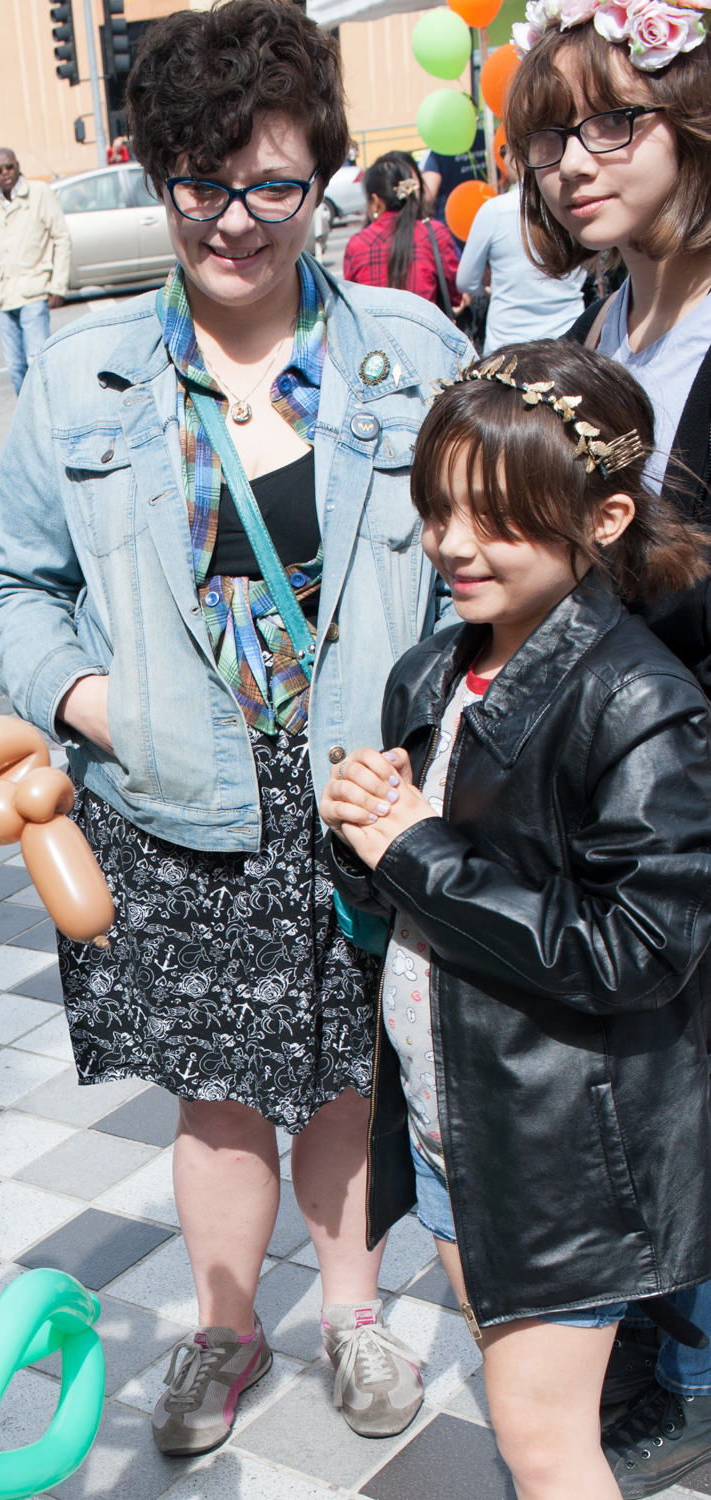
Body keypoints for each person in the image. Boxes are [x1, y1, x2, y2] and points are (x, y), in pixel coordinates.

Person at [0, 0, 469, 1455]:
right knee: (215, 1088)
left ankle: (355, 1313)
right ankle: (225, 1328)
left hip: (363, 785)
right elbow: (9, 583)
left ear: (320, 176)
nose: (235, 220)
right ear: (155, 176)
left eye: (271, 184)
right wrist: (87, 700)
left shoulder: (414, 355)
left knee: (347, 1065)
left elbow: (489, 554)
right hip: (174, 794)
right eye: (201, 182)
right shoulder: (82, 377)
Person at [321, 339, 711, 1500]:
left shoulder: (642, 702)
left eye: (496, 518)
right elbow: (394, 895)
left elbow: (640, 949)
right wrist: (355, 845)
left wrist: (413, 848)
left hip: (561, 1149)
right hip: (458, 1122)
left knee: (544, 1449)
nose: (451, 544)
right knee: (527, 1415)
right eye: (438, 508)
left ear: (603, 518)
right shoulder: (433, 671)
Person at [507, 4, 711, 1489]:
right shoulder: (600, 324)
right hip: (634, 805)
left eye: (613, 121)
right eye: (549, 132)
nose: (571, 164)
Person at [454, 159, 588, 352]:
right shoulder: (575, 202)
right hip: (569, 338)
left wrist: (487, 291)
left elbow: (465, 282)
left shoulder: (495, 211)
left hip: (508, 346)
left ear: (515, 158)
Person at [0, 147, 71, 394]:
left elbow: (61, 238)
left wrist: (57, 284)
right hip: (5, 299)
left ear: (17, 166)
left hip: (34, 293)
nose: (5, 173)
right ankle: (29, 422)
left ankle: (45, 422)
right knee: (15, 367)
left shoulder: (39, 193)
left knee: (36, 363)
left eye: (9, 167)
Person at [343, 150, 462, 318]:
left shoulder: (357, 245)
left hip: (376, 342)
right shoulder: (434, 232)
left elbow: (349, 304)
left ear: (375, 202)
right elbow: (455, 295)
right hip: (426, 338)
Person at [420, 126, 488, 223]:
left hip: (453, 222)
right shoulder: (487, 138)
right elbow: (505, 180)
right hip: (488, 215)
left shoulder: (440, 148)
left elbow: (428, 196)